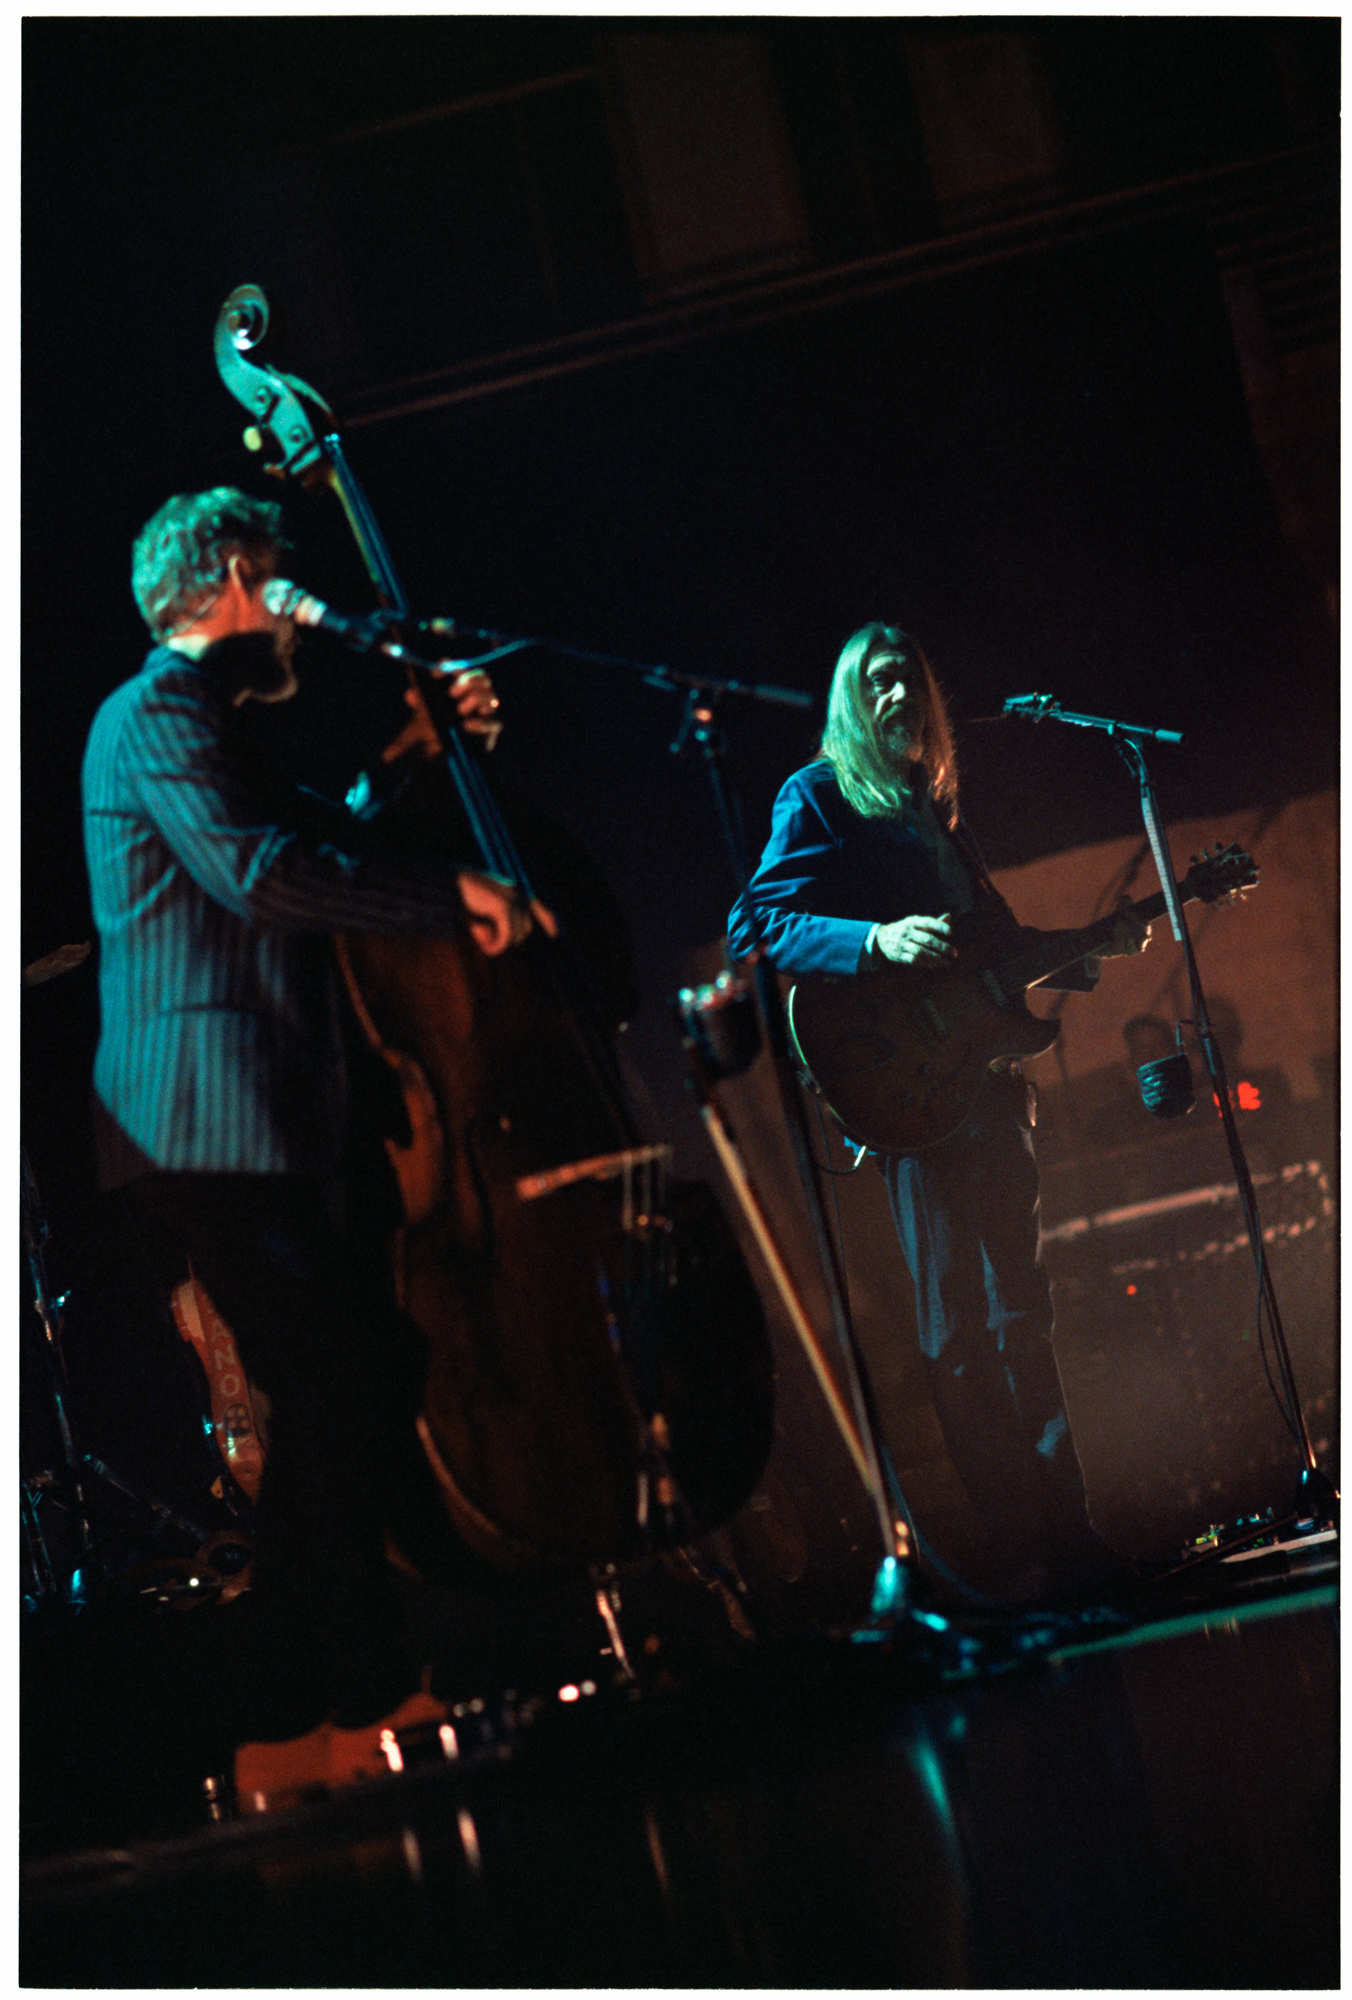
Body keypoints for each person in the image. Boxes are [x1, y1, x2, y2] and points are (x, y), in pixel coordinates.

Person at [82, 487, 529, 1740]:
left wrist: (407, 761)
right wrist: (450, 896)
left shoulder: (201, 723)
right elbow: (264, 875)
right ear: (227, 575)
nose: (288, 618)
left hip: (252, 1118)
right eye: (276, 584)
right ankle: (326, 1693)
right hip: (200, 1122)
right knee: (340, 1375)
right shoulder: (156, 710)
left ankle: (300, 1699)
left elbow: (299, 838)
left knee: (351, 1374)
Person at [728, 622, 1150, 1603]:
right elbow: (758, 918)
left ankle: (1070, 1533)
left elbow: (994, 947)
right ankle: (1016, 1547)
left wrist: (1095, 942)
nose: (895, 694)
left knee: (1022, 1315)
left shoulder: (933, 813)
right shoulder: (819, 795)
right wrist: (874, 939)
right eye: (875, 681)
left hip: (985, 1085)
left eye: (907, 680)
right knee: (954, 1326)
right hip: (906, 1093)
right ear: (847, 697)